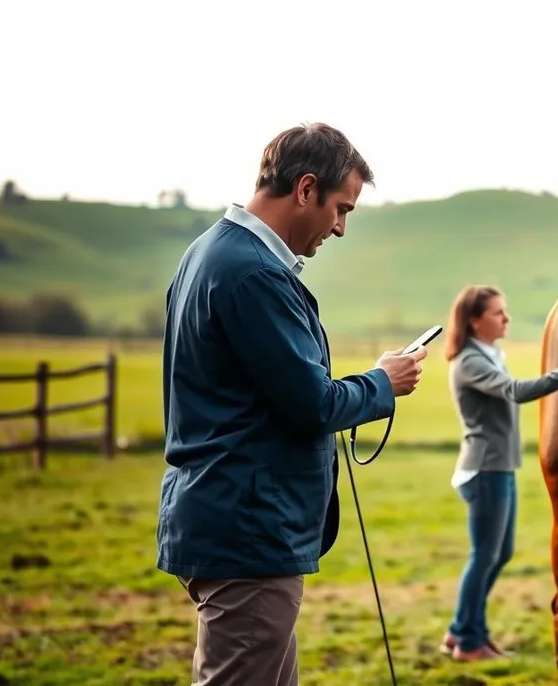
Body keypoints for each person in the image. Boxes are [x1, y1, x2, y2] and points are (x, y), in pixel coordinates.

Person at [157, 122, 427, 686]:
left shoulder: (208, 253)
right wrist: (383, 382)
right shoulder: (253, 272)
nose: (341, 228)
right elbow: (312, 405)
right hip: (249, 533)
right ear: (306, 189)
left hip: (229, 521)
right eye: (341, 208)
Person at [436, 285, 558, 661]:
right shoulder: (470, 362)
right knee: (485, 556)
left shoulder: (486, 355)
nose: (506, 319)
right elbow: (515, 390)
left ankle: (462, 632)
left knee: (497, 553)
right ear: (475, 322)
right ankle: (469, 641)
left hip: (498, 467)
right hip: (485, 470)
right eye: (497, 313)